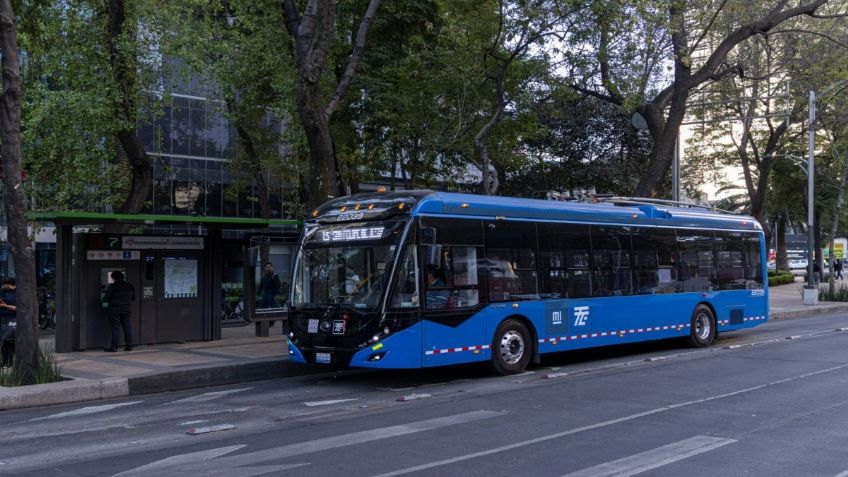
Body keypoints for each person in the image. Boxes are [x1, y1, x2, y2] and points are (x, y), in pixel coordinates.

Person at [103, 270, 135, 352]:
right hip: (127, 309)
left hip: (114, 310)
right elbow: (133, 298)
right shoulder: (130, 286)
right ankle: (129, 346)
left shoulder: (112, 286)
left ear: (113, 278)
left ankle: (114, 347)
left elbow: (105, 299)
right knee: (127, 327)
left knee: (115, 328)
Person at [0, 278, 17, 366]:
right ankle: (6, 362)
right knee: (5, 342)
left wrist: (5, 305)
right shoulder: (2, 292)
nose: (4, 286)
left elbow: (18, 308)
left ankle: (9, 362)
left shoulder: (17, 294)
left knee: (10, 341)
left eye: (5, 284)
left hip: (12, 320)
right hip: (4, 320)